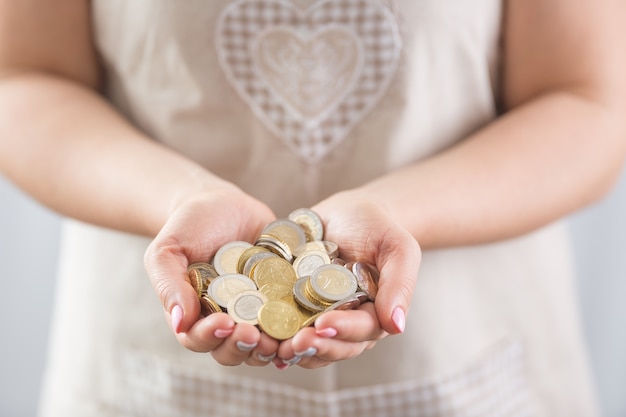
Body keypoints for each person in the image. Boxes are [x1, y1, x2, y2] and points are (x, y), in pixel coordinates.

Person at [1, 0, 625, 416]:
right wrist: (179, 199)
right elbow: (21, 80)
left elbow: (589, 102)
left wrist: (394, 210)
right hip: (146, 369)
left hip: (470, 360)